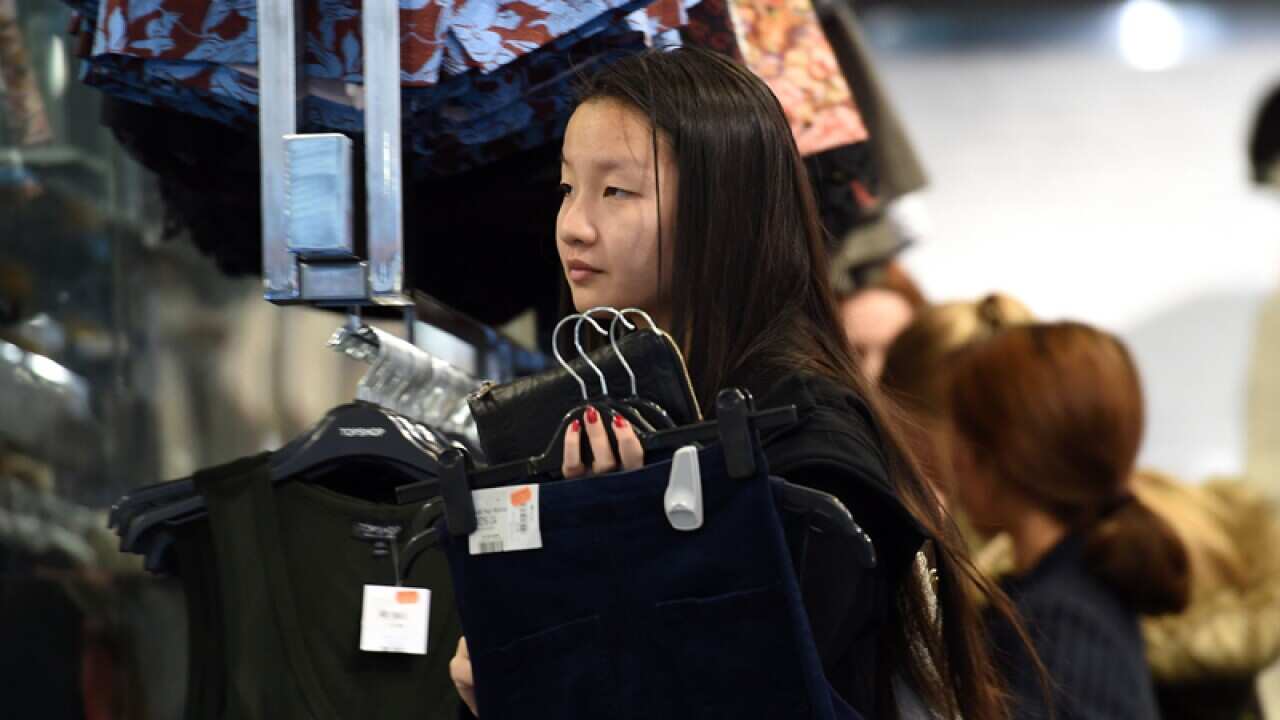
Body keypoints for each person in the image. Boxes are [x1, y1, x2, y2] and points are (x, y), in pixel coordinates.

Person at [448, 47, 1032, 720]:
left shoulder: (810, 445)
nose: (574, 226)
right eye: (567, 188)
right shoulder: (626, 412)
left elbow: (743, 685)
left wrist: (603, 558)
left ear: (720, 208)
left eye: (617, 191)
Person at [947, 321, 1191, 720]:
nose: (956, 461)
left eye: (964, 438)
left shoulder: (1059, 623)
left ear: (1003, 453)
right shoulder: (1070, 593)